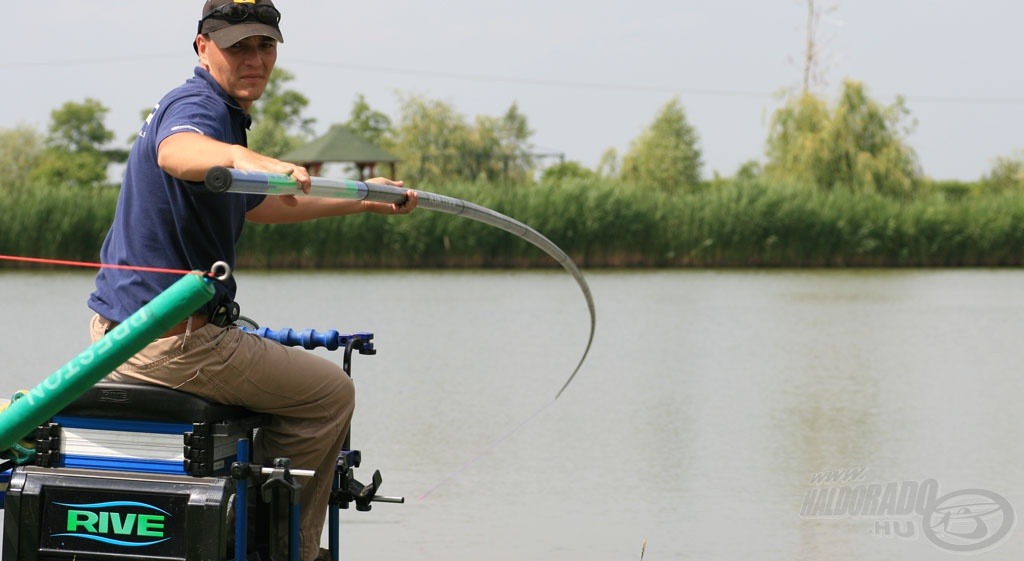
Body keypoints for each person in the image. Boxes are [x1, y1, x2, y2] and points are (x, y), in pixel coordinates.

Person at [86, 1, 418, 559]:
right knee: (330, 394)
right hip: (175, 344)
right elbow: (180, 152)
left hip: (120, 333)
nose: (254, 58)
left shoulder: (216, 110)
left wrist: (361, 202)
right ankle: (289, 549)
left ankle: (240, 514)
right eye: (237, 45)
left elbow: (261, 202)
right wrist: (246, 156)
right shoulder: (198, 106)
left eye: (265, 45)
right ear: (202, 47)